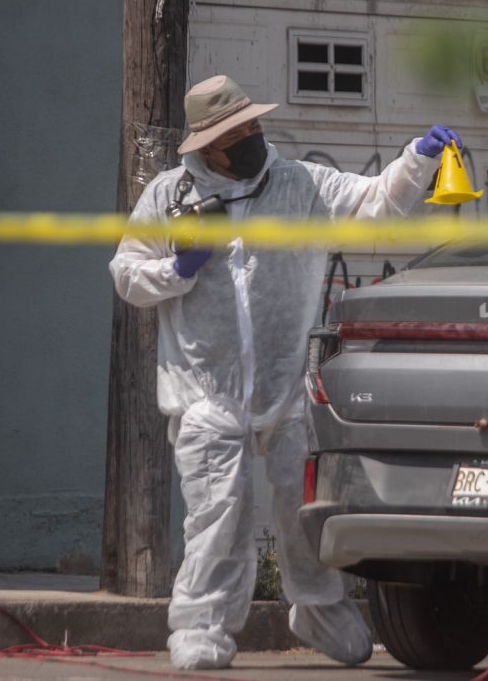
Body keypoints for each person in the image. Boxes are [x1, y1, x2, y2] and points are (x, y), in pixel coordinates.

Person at [109, 74, 462, 670]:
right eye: (235, 132)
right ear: (207, 143)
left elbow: (378, 202)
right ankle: (202, 629)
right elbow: (126, 274)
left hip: (286, 388)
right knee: (217, 517)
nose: (250, 137)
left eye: (251, 125)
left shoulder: (301, 184)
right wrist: (179, 268)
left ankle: (318, 608)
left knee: (303, 514)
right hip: (205, 393)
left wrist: (417, 159)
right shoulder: (170, 198)